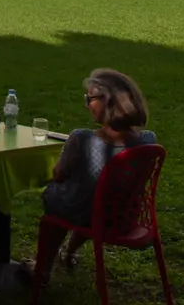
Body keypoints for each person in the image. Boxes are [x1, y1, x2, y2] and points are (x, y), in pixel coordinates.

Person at [26, 69, 157, 280]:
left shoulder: (81, 138)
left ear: (110, 101)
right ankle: (69, 251)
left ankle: (42, 268)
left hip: (89, 215)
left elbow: (59, 174)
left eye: (90, 98)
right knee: (93, 198)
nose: (87, 104)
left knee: (56, 196)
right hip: (123, 217)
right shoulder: (148, 140)